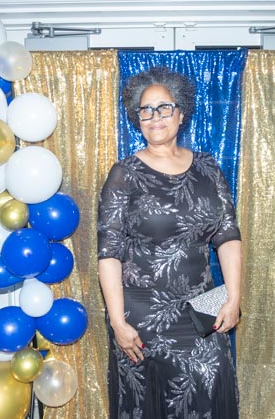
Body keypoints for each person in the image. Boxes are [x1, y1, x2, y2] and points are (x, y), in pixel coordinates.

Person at [97, 66, 242, 418]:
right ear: (137, 119)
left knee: (211, 388)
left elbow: (227, 235)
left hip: (203, 308)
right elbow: (109, 253)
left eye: (164, 108)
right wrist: (117, 323)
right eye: (146, 111)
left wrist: (234, 297)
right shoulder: (125, 174)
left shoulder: (208, 168)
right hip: (142, 317)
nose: (155, 117)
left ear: (181, 113)